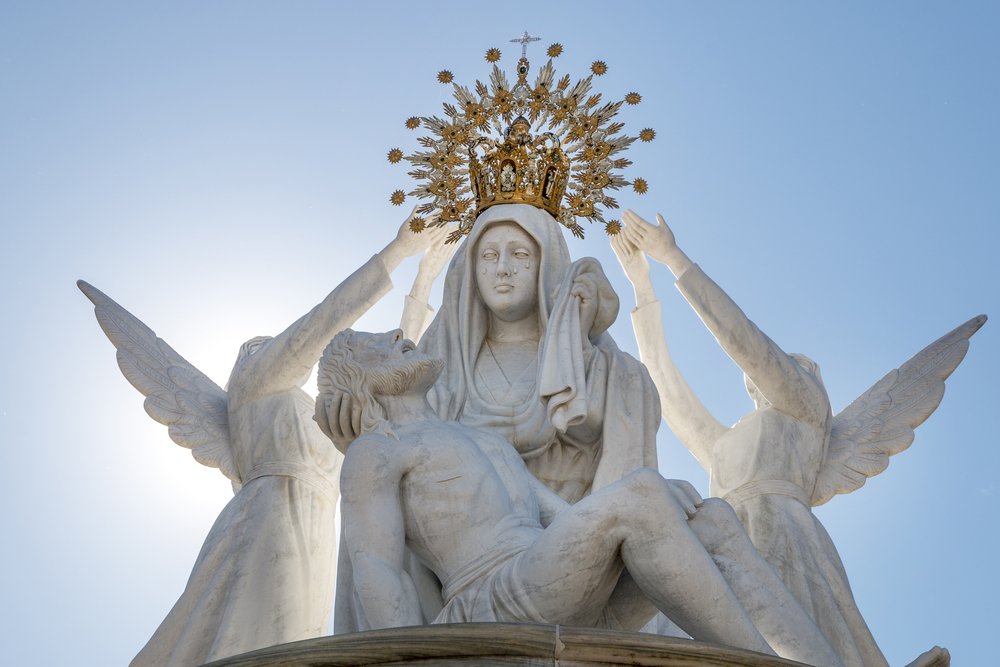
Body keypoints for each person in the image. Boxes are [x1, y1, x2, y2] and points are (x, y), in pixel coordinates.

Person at [316, 328, 848, 667]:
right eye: (375, 345)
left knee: (713, 521)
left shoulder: (482, 440)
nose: (396, 333)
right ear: (362, 381)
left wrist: (660, 511)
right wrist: (409, 660)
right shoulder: (377, 451)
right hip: (488, 602)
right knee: (639, 493)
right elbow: (378, 570)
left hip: (550, 583)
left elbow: (563, 519)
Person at [610, 209, 954, 667]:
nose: (768, 374)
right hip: (717, 533)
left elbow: (747, 344)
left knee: (803, 645)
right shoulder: (731, 442)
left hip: (783, 534)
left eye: (798, 364)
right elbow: (667, 393)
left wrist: (674, 258)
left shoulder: (809, 413)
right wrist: (642, 289)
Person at [119, 213, 447, 667]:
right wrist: (395, 254)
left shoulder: (324, 416)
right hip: (266, 518)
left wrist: (423, 284)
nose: (271, 348)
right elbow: (319, 327)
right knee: (247, 636)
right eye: (261, 346)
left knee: (292, 645)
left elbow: (390, 368)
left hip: (318, 532)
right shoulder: (254, 389)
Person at [323, 203, 665, 632]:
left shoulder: (600, 366)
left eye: (520, 255)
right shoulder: (437, 366)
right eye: (488, 256)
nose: (502, 269)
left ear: (546, 264)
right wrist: (360, 428)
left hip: (574, 534)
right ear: (470, 269)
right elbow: (396, 443)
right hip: (465, 571)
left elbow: (618, 462)